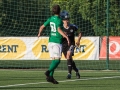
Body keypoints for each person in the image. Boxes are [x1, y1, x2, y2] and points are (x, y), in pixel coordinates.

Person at [38, 5, 70, 84]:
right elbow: (58, 29)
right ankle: (48, 72)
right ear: (59, 11)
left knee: (54, 60)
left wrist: (39, 34)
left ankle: (51, 77)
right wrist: (66, 36)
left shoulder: (50, 19)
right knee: (57, 60)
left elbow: (42, 27)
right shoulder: (59, 20)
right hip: (56, 42)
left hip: (50, 42)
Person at [60, 10, 81, 79]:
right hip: (63, 45)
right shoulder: (60, 28)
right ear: (63, 20)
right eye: (66, 20)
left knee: (69, 55)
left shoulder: (73, 26)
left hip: (71, 44)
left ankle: (69, 74)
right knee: (69, 59)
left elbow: (79, 32)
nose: (67, 21)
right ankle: (77, 71)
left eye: (68, 19)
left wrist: (78, 40)